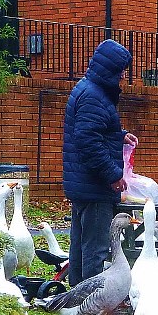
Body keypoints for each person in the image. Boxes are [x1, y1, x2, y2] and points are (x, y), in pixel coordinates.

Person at [62, 39, 138, 286]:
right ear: (111, 70)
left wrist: (119, 135)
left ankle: (75, 296)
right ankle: (89, 303)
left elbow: (93, 130)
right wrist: (113, 174)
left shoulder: (88, 90)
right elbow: (88, 141)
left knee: (80, 245)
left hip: (83, 183)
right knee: (95, 248)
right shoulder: (94, 96)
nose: (123, 77)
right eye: (122, 72)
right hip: (94, 185)